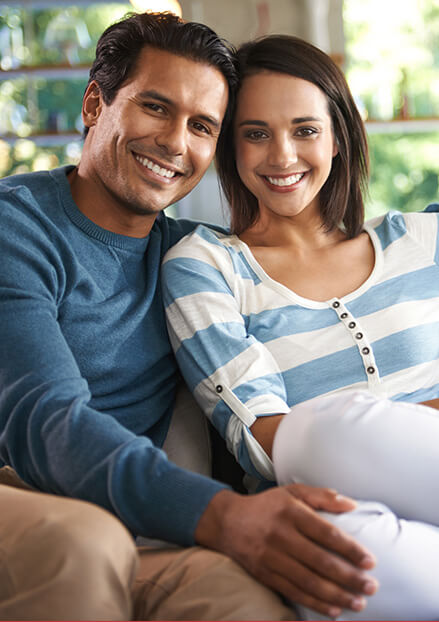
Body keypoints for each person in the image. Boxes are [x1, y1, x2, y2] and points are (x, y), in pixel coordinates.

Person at [0, 13, 379, 622]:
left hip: (137, 523)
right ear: (95, 103)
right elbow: (46, 421)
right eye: (155, 108)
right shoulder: (17, 230)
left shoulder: (196, 261)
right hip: (22, 490)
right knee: (83, 546)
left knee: (244, 598)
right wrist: (225, 515)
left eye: (202, 126)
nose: (176, 143)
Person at [162, 33, 439, 621]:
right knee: (321, 442)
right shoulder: (208, 266)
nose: (282, 156)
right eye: (256, 133)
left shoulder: (423, 241)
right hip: (328, 508)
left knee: (326, 426)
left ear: (339, 136)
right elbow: (264, 437)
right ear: (230, 147)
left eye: (305, 130)